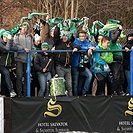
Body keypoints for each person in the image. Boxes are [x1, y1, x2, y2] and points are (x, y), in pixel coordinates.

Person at [54, 26, 80, 96]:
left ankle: (70, 98)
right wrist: (57, 26)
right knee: (61, 85)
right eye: (63, 36)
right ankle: (62, 99)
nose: (64, 37)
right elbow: (56, 34)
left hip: (68, 68)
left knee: (69, 85)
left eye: (66, 36)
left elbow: (77, 46)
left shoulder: (70, 43)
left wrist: (75, 48)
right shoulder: (58, 42)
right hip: (60, 66)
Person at [71, 30, 95, 96]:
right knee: (75, 82)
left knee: (89, 75)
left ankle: (84, 92)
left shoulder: (87, 42)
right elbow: (79, 47)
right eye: (80, 36)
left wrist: (90, 48)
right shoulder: (76, 41)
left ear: (85, 36)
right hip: (75, 65)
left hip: (83, 65)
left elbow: (91, 46)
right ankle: (75, 96)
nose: (82, 38)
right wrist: (88, 48)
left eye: (83, 36)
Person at [13, 22, 34, 97]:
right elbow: (15, 45)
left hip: (27, 60)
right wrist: (23, 49)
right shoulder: (17, 36)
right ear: (21, 28)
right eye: (23, 27)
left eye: (26, 28)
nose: (24, 29)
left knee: (27, 77)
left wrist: (31, 58)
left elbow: (32, 48)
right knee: (19, 76)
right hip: (19, 59)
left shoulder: (30, 37)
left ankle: (26, 94)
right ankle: (19, 94)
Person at [109, 25, 125, 96]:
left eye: (119, 38)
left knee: (122, 78)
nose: (118, 39)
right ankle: (114, 91)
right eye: (117, 37)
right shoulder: (112, 43)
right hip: (114, 62)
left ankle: (119, 90)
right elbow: (114, 39)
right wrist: (119, 31)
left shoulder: (119, 45)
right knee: (116, 77)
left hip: (120, 62)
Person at [0, 31, 17, 97]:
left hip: (7, 64)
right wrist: (9, 41)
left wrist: (10, 44)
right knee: (6, 73)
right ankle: (11, 91)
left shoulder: (10, 43)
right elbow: (7, 49)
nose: (5, 39)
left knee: (4, 79)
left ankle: (3, 93)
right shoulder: (0, 43)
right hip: (1, 64)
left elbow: (16, 48)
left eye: (6, 37)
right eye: (4, 37)